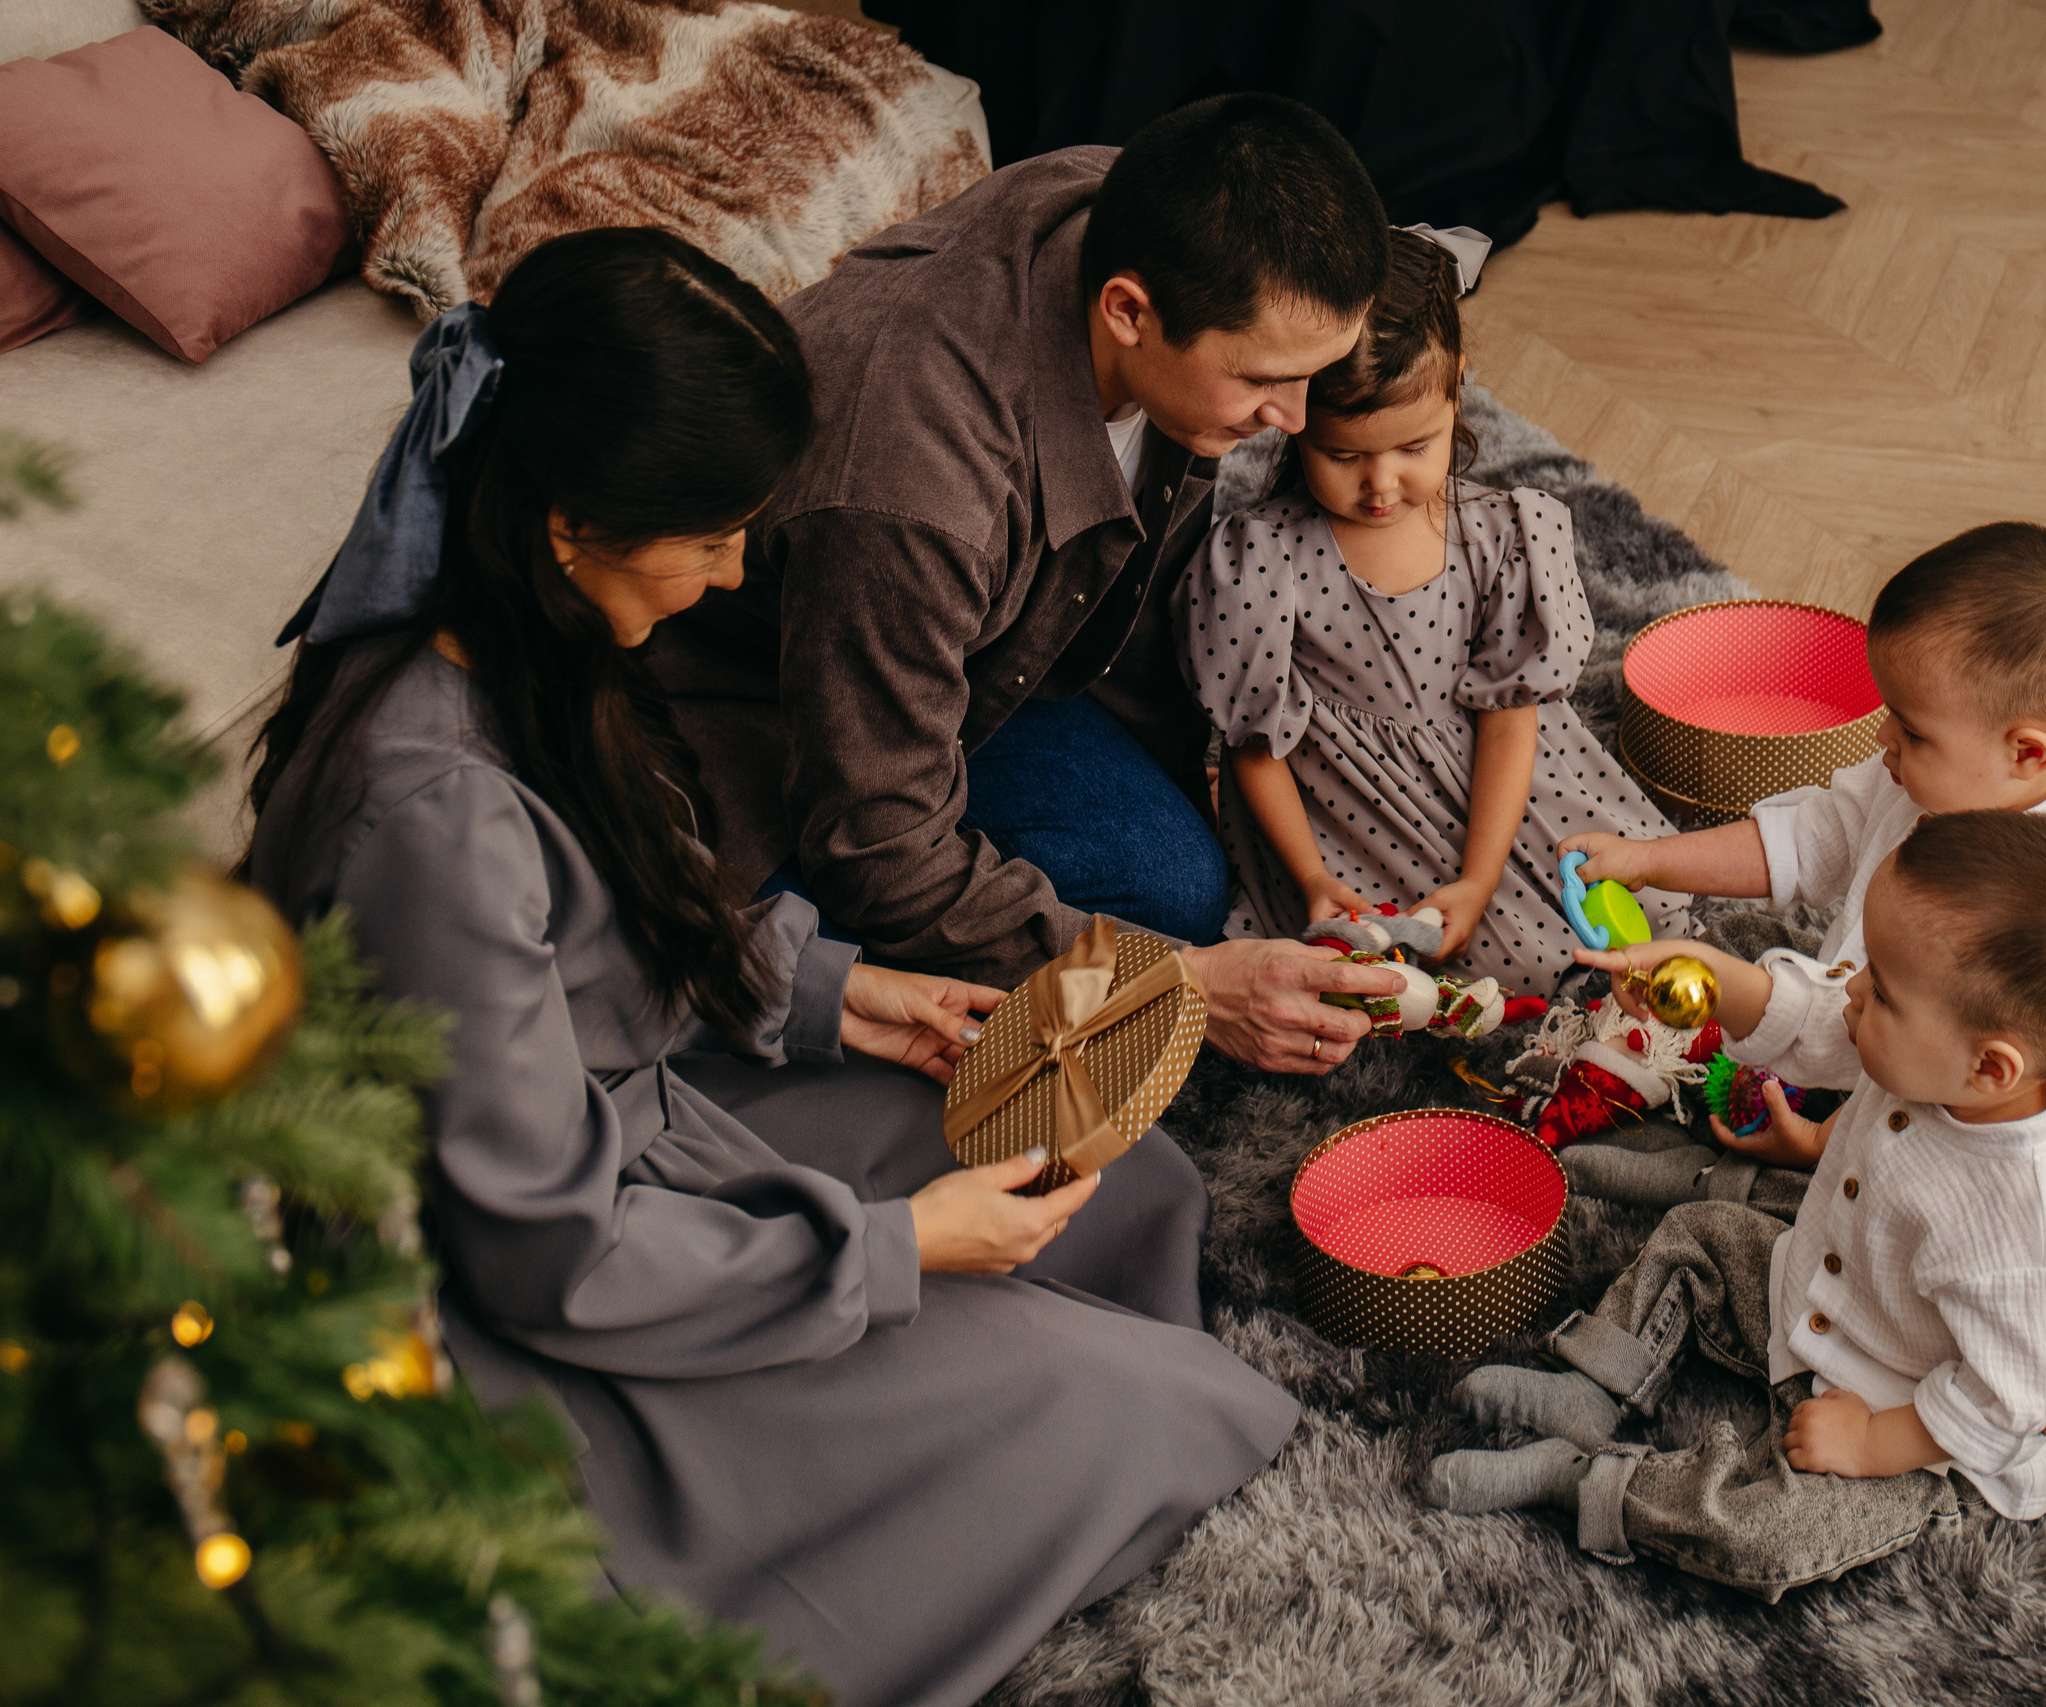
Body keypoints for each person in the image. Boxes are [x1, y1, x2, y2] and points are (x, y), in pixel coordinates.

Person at [245, 228, 1299, 1707]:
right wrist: (900, 1249)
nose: (740, 570)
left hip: (633, 1106)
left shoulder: (526, 627)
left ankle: (1003, 1392)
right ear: (572, 524)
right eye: (712, 539)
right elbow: (551, 1255)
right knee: (1162, 1407)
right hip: (540, 1308)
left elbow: (596, 943)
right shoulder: (433, 814)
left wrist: (829, 991)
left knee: (1124, 1179)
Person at [647, 92, 1411, 1076]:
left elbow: (1139, 592)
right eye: (1264, 379)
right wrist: (1183, 988)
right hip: (769, 722)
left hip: (970, 658)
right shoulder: (911, 493)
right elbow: (876, 848)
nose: (1296, 420)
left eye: (1314, 373)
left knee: (1181, 875)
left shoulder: (1125, 206)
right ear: (1127, 312)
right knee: (1134, 927)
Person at [1427, 811, 2046, 1604]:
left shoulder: (2038, 1238)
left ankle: (1588, 1482)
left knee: (1770, 1532)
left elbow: (2012, 1408)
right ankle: (1593, 1385)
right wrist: (1706, 977)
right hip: (1822, 1291)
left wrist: (1870, 1440)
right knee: (1700, 1237)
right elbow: (1812, 1020)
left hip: (1915, 1428)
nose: (1855, 992)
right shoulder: (1933, 1046)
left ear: (1992, 1067)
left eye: (1882, 990)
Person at [1557, 521, 2046, 1213]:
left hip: (1944, 1107)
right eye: (1890, 712)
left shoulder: (2023, 903)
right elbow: (1806, 840)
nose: (1883, 736)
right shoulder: (1925, 778)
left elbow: (1907, 1066)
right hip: (1878, 1017)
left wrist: (1823, 1142)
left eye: (1912, 729)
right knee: (1744, 945)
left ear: (2028, 754)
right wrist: (1651, 860)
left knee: (1760, 1213)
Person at [1182, 225, 1687, 995]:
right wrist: (1313, 879)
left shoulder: (1502, 535)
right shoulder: (1260, 561)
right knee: (1443, 964)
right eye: (1344, 455)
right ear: (1293, 421)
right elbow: (1256, 742)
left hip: (1499, 779)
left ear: (1456, 394)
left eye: (1414, 447)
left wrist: (1480, 879)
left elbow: (1510, 716)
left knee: (1641, 894)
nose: (1380, 484)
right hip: (1351, 806)